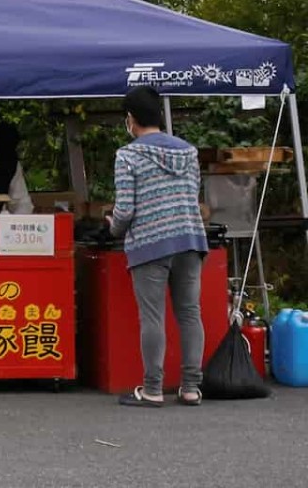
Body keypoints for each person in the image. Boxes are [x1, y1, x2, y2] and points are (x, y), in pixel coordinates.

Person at [109, 86, 208, 408]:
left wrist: (114, 227)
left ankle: (153, 389)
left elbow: (125, 210)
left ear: (131, 119)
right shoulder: (189, 152)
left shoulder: (129, 155)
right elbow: (192, 197)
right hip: (190, 239)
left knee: (153, 317)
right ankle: (191, 388)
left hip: (151, 243)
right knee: (190, 314)